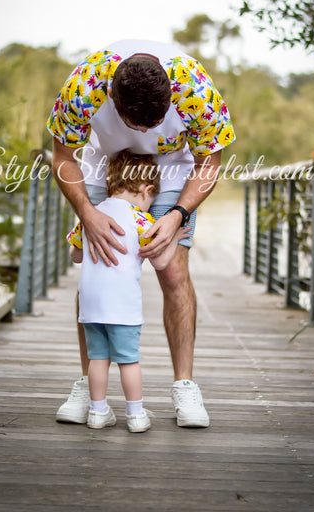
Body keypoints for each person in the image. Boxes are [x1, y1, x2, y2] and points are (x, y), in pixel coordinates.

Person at [47, 39, 235, 428]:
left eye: (156, 121)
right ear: (112, 97)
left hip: (172, 168)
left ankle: (185, 385)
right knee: (99, 261)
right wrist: (87, 214)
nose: (147, 132)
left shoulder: (196, 89)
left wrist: (179, 214)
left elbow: (209, 162)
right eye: (138, 125)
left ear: (171, 94)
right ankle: (89, 385)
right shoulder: (84, 86)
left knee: (173, 270)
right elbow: (64, 158)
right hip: (106, 164)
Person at [67, 150, 189, 433]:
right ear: (147, 190)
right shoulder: (141, 220)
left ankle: (97, 412)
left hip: (91, 304)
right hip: (122, 306)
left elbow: (75, 255)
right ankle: (135, 415)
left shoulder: (91, 216)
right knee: (128, 361)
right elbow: (158, 260)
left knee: (98, 359)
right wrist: (174, 239)